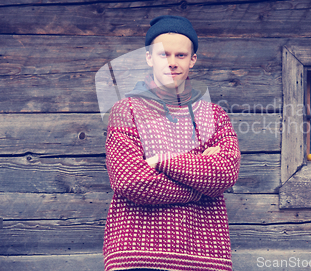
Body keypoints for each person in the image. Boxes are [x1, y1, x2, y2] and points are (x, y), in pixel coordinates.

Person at [103, 15, 241, 271]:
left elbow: (226, 172)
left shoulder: (214, 115)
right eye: (163, 54)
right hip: (138, 255)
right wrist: (199, 186)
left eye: (180, 55)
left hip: (203, 254)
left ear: (192, 60)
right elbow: (130, 180)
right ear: (148, 58)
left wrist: (159, 162)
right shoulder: (127, 111)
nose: (172, 62)